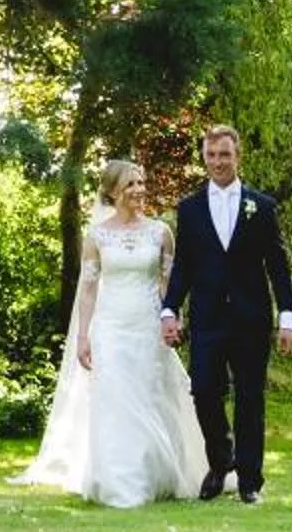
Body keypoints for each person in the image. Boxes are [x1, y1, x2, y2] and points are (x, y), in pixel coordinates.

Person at [16, 157, 207, 507]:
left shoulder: (161, 232)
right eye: (131, 184)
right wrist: (84, 337)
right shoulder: (97, 236)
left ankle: (158, 476)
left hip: (148, 325)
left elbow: (168, 285)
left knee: (151, 399)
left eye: (141, 182)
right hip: (112, 328)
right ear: (113, 192)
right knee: (116, 403)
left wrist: (171, 318)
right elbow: (88, 290)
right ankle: (121, 483)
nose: (139, 190)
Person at [160, 123, 292, 502]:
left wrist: (287, 317)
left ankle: (250, 481)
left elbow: (278, 267)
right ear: (204, 157)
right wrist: (169, 309)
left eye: (224, 154)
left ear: (237, 156)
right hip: (207, 319)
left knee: (251, 399)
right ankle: (221, 463)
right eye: (211, 155)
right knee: (203, 391)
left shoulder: (262, 207)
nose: (217, 162)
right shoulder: (188, 209)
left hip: (251, 319)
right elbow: (184, 265)